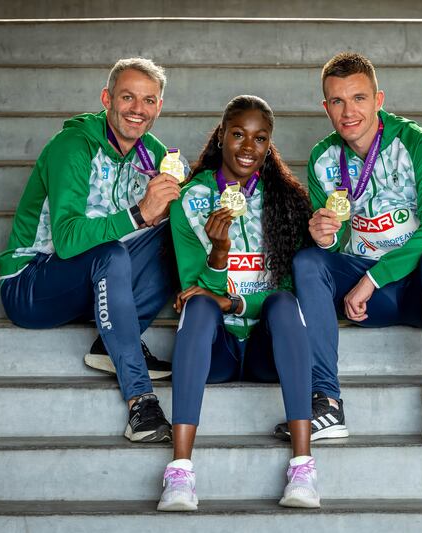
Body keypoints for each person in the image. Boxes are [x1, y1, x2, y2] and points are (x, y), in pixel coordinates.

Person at [274, 52, 422, 445]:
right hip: (360, 294)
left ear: (379, 100)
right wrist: (327, 238)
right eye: (338, 101)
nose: (348, 112)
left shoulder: (416, 143)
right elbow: (339, 241)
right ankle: (325, 402)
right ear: (326, 107)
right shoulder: (323, 157)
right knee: (309, 260)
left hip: (417, 290)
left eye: (359, 98)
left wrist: (373, 279)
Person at [0, 58, 188, 443]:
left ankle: (112, 340)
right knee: (111, 253)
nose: (138, 109)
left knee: (178, 229)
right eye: (128, 97)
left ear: (159, 107)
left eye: (148, 100)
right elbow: (67, 239)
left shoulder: (151, 153)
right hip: (31, 282)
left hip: (92, 283)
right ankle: (141, 403)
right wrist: (138, 214)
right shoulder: (72, 145)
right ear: (107, 98)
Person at [157, 95, 318, 511]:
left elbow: (288, 288)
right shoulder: (191, 199)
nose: (248, 147)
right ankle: (179, 473)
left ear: (269, 146)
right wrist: (219, 251)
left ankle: (303, 469)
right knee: (199, 307)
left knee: (283, 304)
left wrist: (235, 303)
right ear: (221, 136)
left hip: (266, 346)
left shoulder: (285, 200)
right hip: (219, 352)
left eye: (260, 138)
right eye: (238, 135)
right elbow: (195, 288)